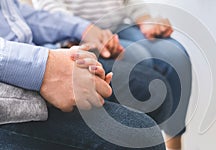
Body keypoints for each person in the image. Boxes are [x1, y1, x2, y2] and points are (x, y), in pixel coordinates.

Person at [0, 0, 166, 149]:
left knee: (145, 85)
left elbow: (19, 18)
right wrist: (43, 67)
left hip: (30, 51)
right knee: (143, 137)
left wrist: (83, 29)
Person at [32, 0, 192, 149]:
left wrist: (145, 19)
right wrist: (83, 31)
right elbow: (50, 7)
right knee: (139, 60)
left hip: (118, 26)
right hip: (73, 35)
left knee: (176, 56)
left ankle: (173, 144)